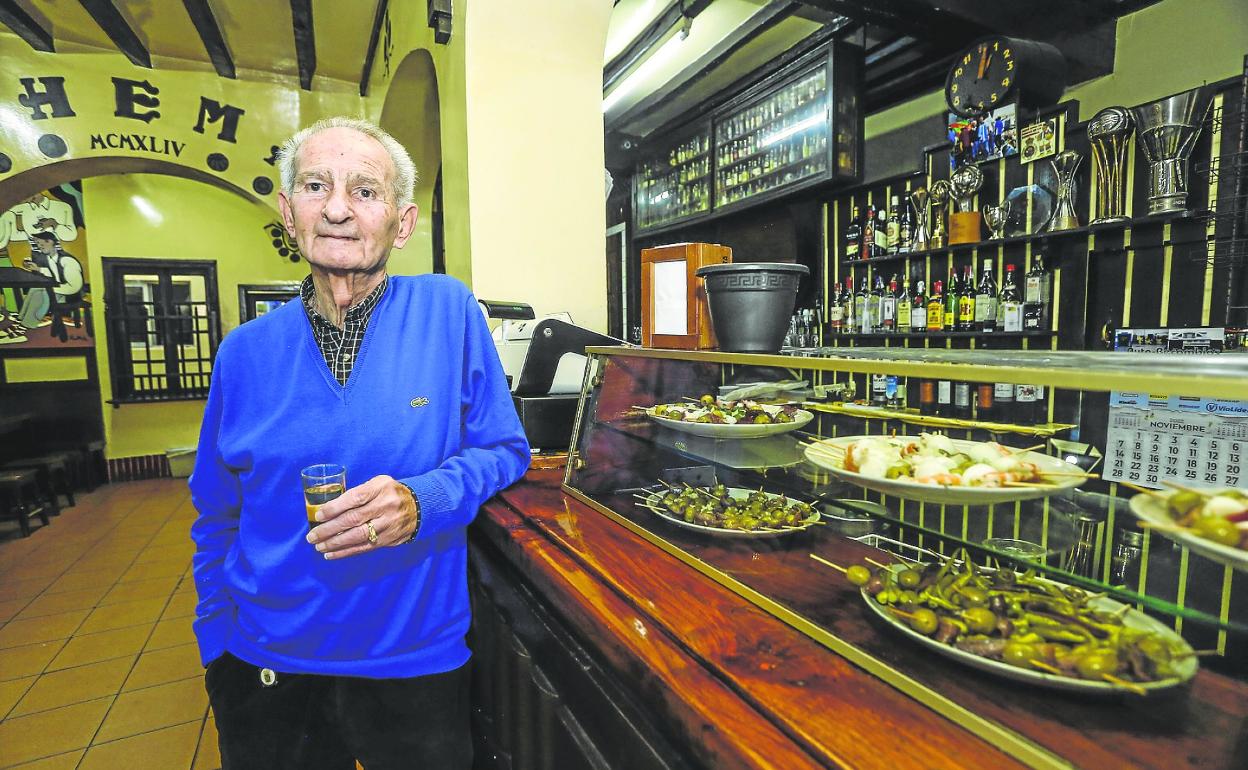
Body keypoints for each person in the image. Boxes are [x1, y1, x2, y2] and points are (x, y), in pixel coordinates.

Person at [189, 116, 531, 770]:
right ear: (290, 213)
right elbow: (215, 512)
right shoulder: (243, 354)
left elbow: (504, 447)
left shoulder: (448, 312)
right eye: (317, 186)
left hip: (415, 663)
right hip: (266, 667)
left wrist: (423, 499)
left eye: (365, 191)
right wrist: (218, 642)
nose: (339, 208)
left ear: (401, 224)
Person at [18, 231, 84, 331]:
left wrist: (50, 289)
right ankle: (20, 319)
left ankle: (25, 326)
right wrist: (38, 269)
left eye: (41, 244)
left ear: (50, 242)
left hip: (71, 295)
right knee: (34, 289)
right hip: (61, 290)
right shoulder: (51, 257)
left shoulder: (67, 260)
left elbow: (74, 287)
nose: (39, 246)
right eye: (38, 244)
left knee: (40, 294)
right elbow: (55, 274)